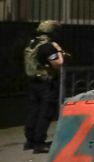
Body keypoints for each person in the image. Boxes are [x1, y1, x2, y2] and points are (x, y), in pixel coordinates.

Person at [23, 20, 65, 153]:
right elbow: (57, 64)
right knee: (45, 113)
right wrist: (59, 50)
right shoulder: (47, 46)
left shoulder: (32, 43)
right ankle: (39, 143)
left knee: (33, 111)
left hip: (33, 82)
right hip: (46, 84)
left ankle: (30, 140)